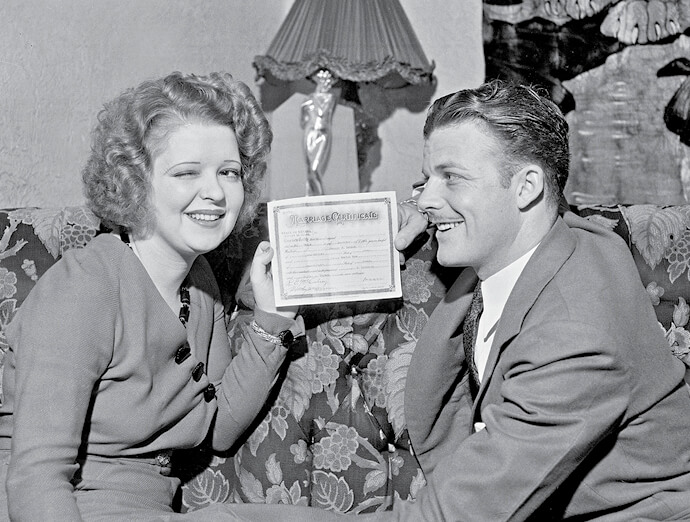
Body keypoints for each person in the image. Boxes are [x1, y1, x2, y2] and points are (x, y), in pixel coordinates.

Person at [219, 79, 690, 521]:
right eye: (427, 179)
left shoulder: (576, 336)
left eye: (452, 177)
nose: (426, 199)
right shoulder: (557, 241)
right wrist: (407, 213)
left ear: (526, 188)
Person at [0, 71, 303, 521]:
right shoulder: (84, 288)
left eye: (229, 172)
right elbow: (35, 478)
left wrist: (271, 319)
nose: (216, 192)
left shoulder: (199, 284)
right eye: (186, 173)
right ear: (134, 182)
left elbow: (218, 427)